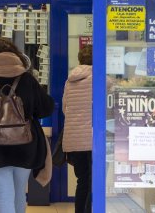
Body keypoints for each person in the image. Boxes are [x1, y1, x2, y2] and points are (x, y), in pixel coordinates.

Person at [0, 38, 54, 213]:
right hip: (25, 144)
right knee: (19, 195)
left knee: (3, 196)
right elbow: (46, 108)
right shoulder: (27, 79)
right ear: (16, 55)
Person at [62, 44, 93, 213]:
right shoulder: (101, 79)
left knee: (83, 180)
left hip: (74, 140)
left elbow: (65, 109)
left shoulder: (71, 80)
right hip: (93, 140)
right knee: (94, 180)